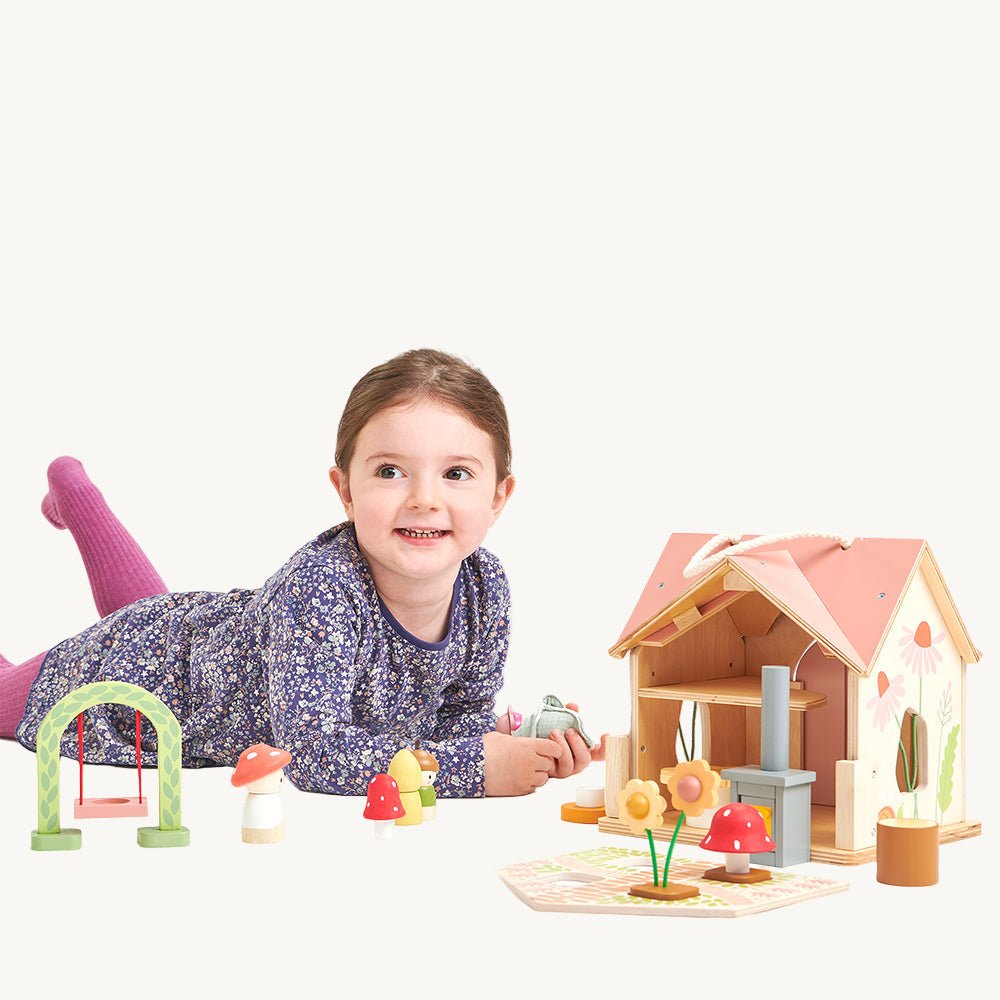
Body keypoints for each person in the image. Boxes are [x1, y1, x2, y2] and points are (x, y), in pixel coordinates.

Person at [0, 348, 605, 798]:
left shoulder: (485, 586)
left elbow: (456, 719)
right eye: (391, 471)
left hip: (189, 644)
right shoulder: (320, 590)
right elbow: (312, 754)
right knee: (76, 665)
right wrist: (472, 771)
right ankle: (77, 502)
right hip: (135, 699)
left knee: (147, 624)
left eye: (457, 474)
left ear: (499, 497)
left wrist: (517, 743)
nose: (424, 498)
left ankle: (78, 500)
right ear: (345, 489)